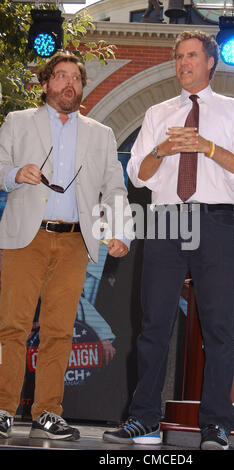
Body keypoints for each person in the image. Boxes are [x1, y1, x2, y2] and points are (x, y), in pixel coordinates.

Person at [103, 30, 234, 450]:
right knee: (153, 324)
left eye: (191, 56)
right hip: (166, 223)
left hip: (214, 222)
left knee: (217, 330)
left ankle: (215, 424)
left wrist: (207, 146)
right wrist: (161, 149)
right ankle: (145, 419)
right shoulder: (158, 112)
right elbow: (136, 172)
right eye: (178, 57)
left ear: (210, 62)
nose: (183, 63)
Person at [0, 51, 132, 441]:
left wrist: (120, 231)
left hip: (76, 240)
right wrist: (13, 173)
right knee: (13, 326)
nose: (69, 83)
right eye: (60, 76)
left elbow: (116, 187)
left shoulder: (100, 133)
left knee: (60, 331)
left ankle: (47, 413)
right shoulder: (17, 121)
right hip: (26, 235)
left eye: (75, 77)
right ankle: (3, 408)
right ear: (45, 84)